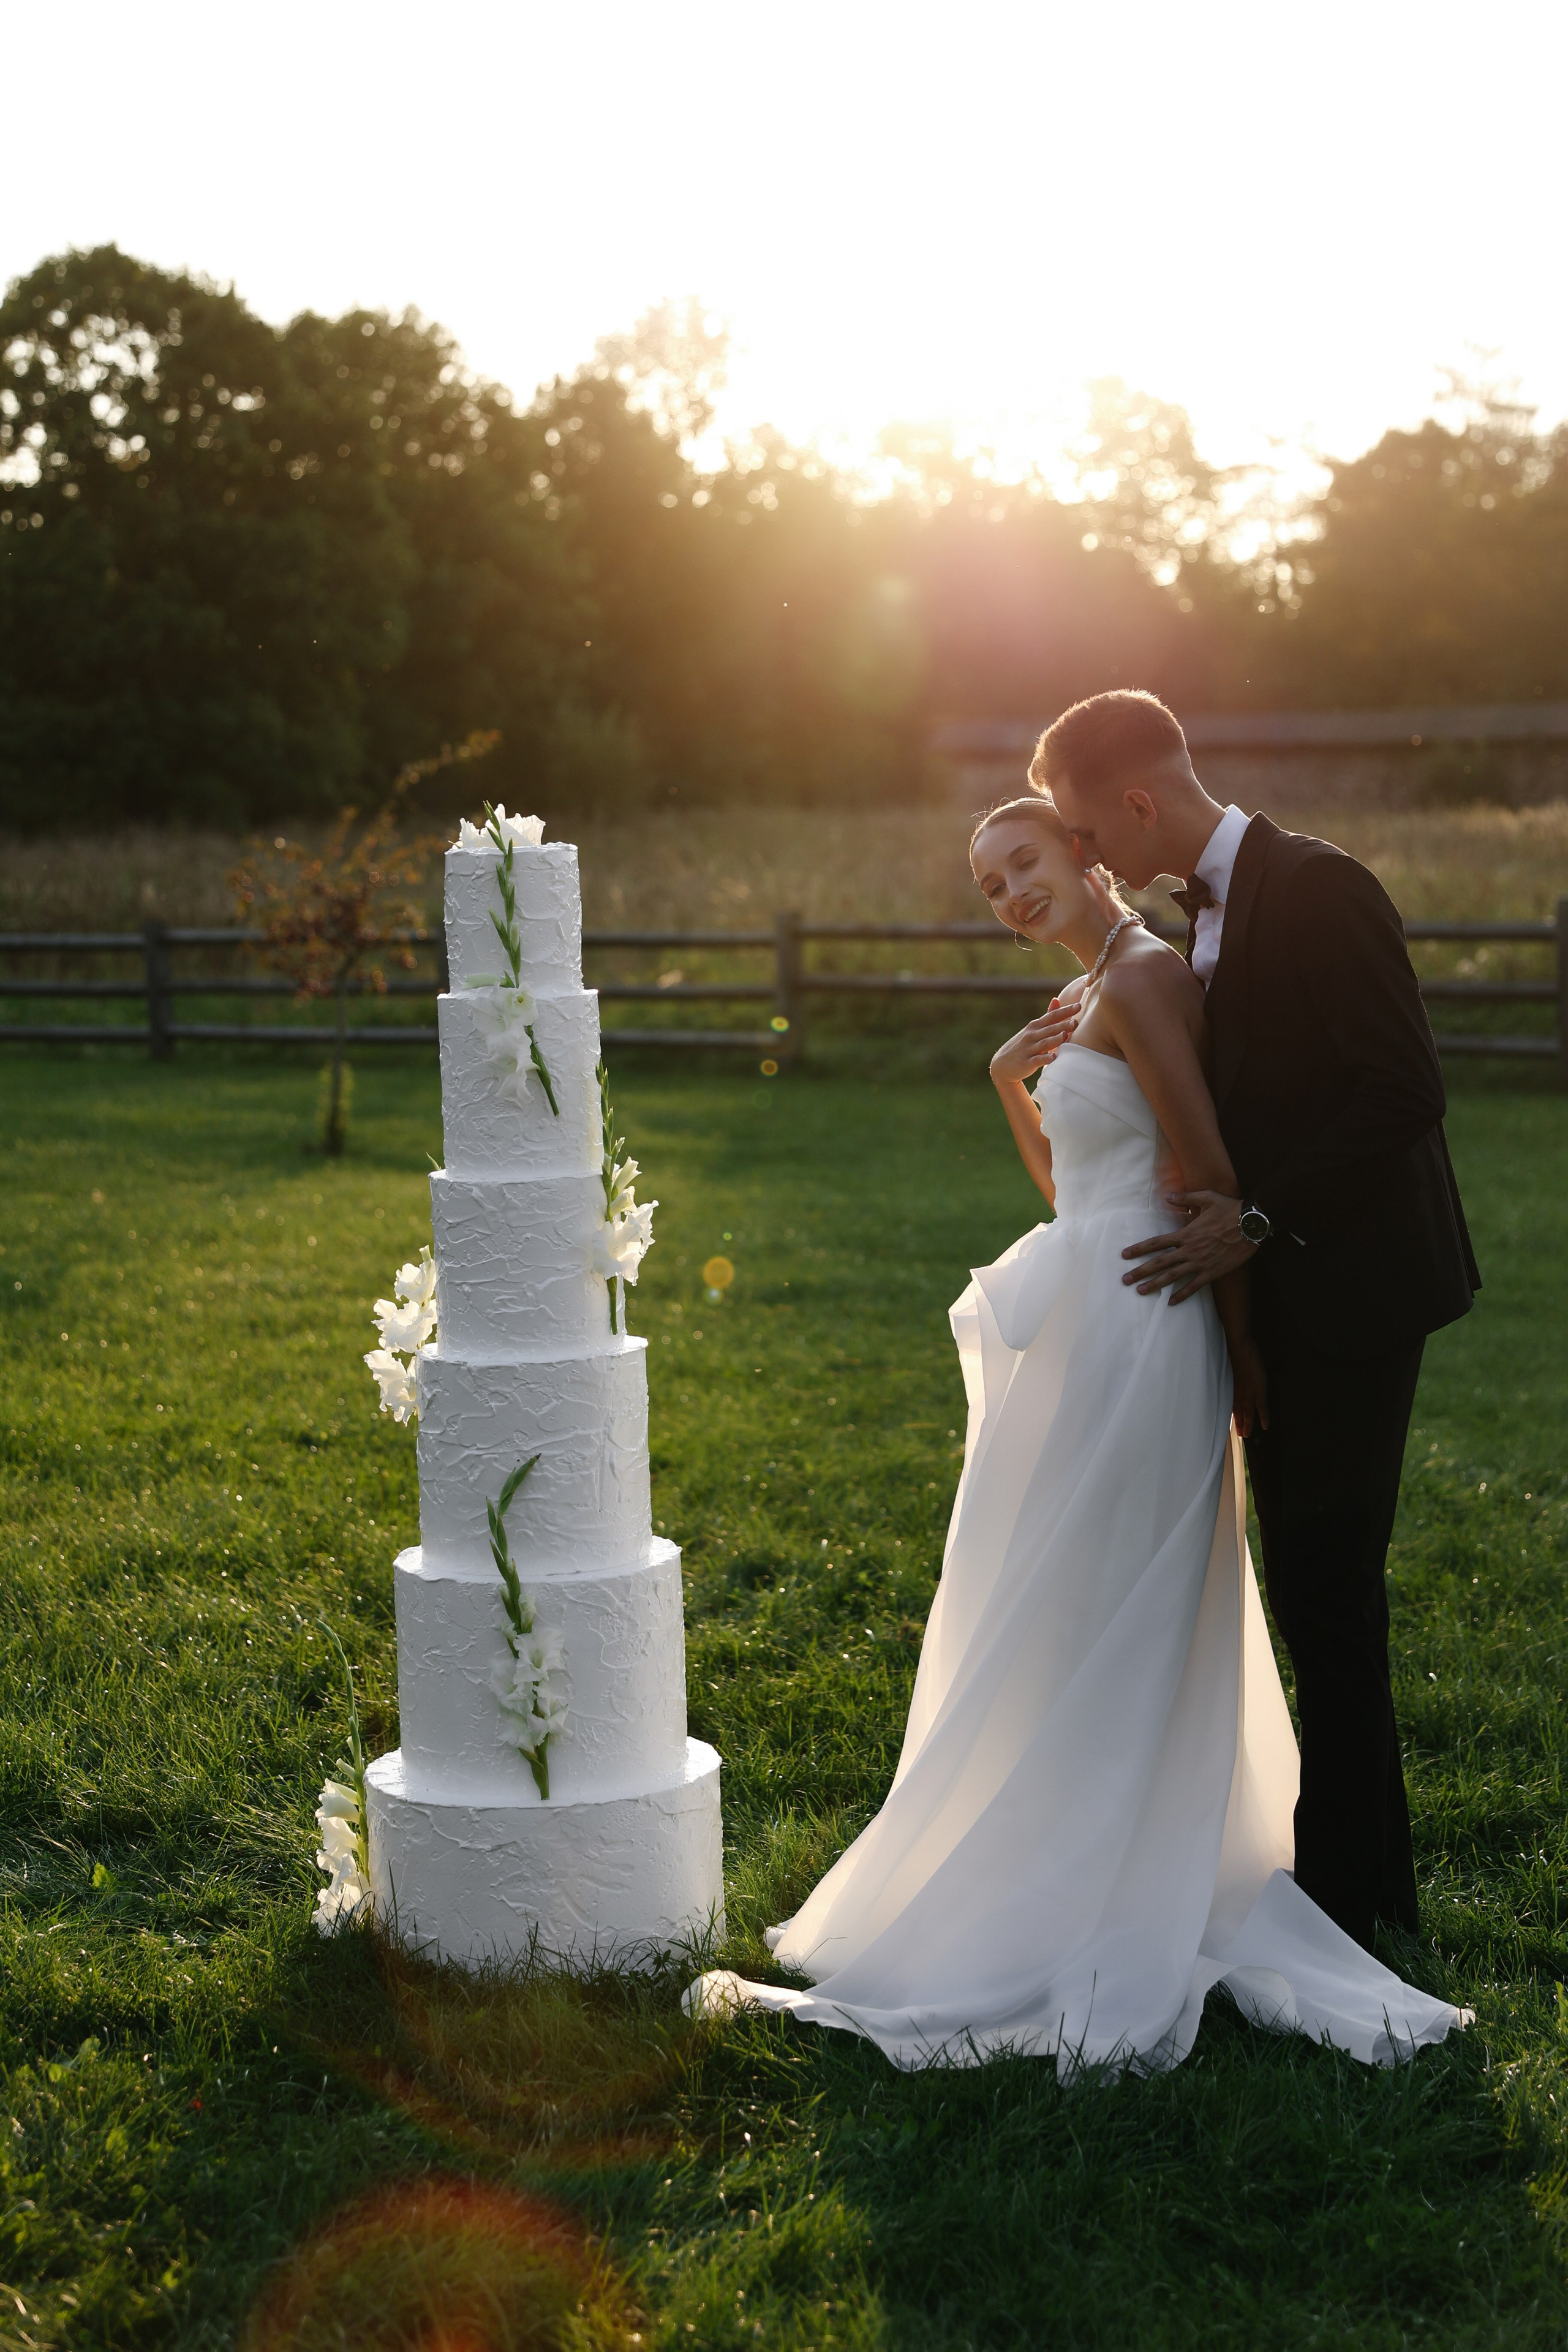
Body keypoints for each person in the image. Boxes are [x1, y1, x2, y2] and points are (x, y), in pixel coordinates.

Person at [685, 788, 1469, 2074]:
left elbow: (1206, 1173)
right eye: (989, 884)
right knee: (1049, 1596)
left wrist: (1241, 1344)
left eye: (1023, 860)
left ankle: (1120, 1866)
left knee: (1110, 1592)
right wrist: (1010, 1076)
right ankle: (1052, 1856)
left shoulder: (1147, 976)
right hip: (1088, 1316)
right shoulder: (1092, 987)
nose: (1009, 893)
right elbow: (1073, 1183)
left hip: (1143, 1323)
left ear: (1081, 850)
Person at [1042, 691, 1479, 1952]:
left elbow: (1403, 1089)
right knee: (1310, 1586)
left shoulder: (1321, 888)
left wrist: (1260, 1220)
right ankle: (1355, 1876)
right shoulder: (1201, 918)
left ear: (1136, 804)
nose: (1084, 855)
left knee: (1327, 1588)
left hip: (1357, 1287)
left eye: (1084, 830)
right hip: (1280, 1288)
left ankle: (1355, 1900)